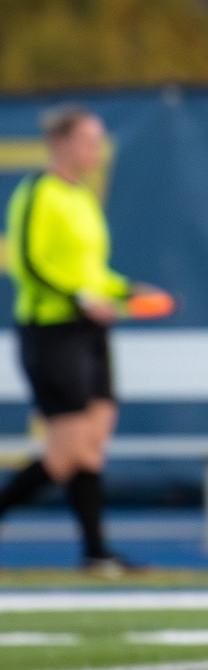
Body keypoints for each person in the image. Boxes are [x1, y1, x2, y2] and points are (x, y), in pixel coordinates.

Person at [0, 106, 148, 575]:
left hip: (90, 332)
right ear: (61, 142)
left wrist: (126, 291)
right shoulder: (38, 194)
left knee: (93, 442)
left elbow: (91, 270)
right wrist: (78, 298)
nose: (94, 149)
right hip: (53, 331)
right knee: (65, 452)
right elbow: (28, 263)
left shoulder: (82, 197)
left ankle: (96, 551)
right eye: (87, 139)